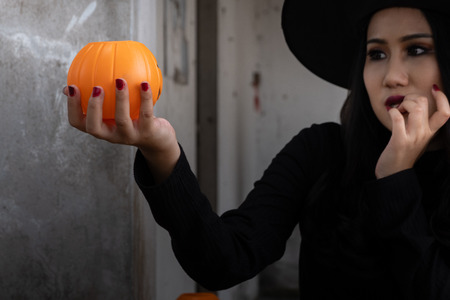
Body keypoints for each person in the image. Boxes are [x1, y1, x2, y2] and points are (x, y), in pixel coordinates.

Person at [63, 0, 450, 298]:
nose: (392, 76)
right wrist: (161, 151)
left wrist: (396, 180)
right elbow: (223, 260)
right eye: (376, 54)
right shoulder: (321, 151)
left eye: (417, 49)